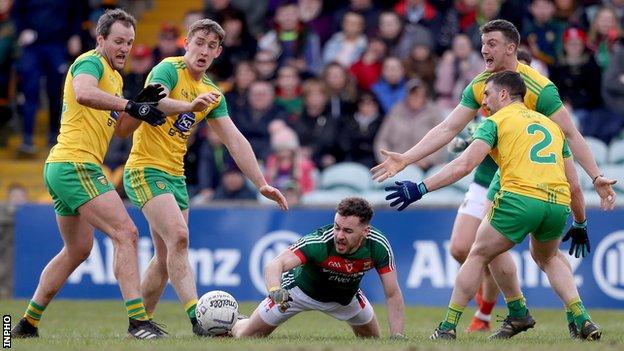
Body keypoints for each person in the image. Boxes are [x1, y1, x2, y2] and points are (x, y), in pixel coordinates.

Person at [371, 19, 617, 336]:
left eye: (492, 44)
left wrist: (595, 175)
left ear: (512, 49)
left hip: (520, 177)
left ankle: (462, 323)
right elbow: (447, 128)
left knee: (480, 250)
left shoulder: (539, 89)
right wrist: (407, 157)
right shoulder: (479, 84)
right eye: (483, 43)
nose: (484, 49)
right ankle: (534, 312)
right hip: (505, 174)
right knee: (470, 248)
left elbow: (571, 134)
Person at [120, 18, 289, 337]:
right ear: (187, 43)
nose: (204, 50)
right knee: (179, 238)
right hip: (144, 167)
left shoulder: (212, 93)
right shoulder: (167, 69)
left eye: (211, 46)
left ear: (218, 53)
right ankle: (199, 321)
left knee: (164, 257)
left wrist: (261, 183)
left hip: (175, 175)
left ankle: (139, 325)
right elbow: (154, 101)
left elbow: (235, 140)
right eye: (199, 42)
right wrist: (188, 105)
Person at [11, 9, 169, 340]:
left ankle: (25, 324)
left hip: (63, 166)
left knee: (78, 249)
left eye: (129, 42)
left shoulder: (116, 79)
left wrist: (141, 103)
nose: (125, 48)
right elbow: (83, 92)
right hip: (75, 164)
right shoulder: (91, 63)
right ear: (100, 40)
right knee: (126, 233)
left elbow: (123, 130)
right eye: (118, 41)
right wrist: (130, 105)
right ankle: (138, 322)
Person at [232, 197, 405, 339]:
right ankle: (233, 322)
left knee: (373, 341)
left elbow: (392, 293)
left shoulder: (378, 246)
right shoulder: (320, 242)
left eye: (347, 231)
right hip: (298, 293)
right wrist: (275, 289)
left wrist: (397, 335)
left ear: (365, 232)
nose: (339, 236)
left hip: (346, 299)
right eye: (337, 227)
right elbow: (275, 264)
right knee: (245, 336)